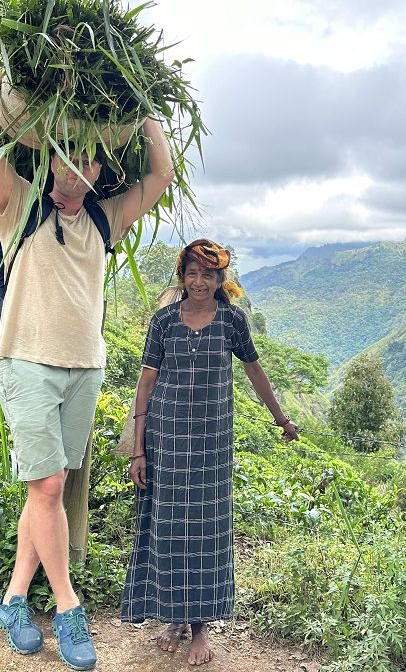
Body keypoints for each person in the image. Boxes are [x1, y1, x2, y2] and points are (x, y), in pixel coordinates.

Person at [0, 66, 175, 671]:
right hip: (26, 362)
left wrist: (145, 103)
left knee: (45, 493)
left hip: (85, 369)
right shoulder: (16, 203)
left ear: (101, 170)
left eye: (90, 162)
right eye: (67, 158)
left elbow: (162, 173)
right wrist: (0, 72)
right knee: (49, 486)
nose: (78, 170)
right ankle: (69, 609)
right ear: (51, 160)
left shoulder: (107, 218)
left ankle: (13, 599)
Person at [120, 238, 299, 666]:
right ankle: (174, 619)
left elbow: (254, 370)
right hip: (166, 441)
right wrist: (138, 449)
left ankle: (200, 627)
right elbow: (146, 383)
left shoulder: (232, 321)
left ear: (221, 280)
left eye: (209, 274)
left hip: (212, 446)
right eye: (192, 273)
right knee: (169, 529)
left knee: (207, 533)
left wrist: (281, 418)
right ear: (182, 276)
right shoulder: (163, 322)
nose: (199, 281)